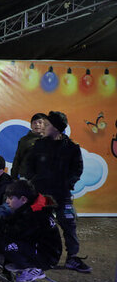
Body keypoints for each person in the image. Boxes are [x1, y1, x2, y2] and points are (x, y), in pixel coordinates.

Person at [25, 111, 90, 273]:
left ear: (57, 129)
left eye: (47, 125)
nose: (43, 127)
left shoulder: (72, 148)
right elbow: (28, 166)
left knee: (68, 223)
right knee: (36, 223)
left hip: (62, 195)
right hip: (42, 195)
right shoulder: (39, 145)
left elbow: (77, 169)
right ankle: (35, 254)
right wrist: (35, 182)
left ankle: (72, 258)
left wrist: (68, 184)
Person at [0, 179, 62, 282]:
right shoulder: (28, 208)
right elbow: (11, 224)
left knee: (6, 244)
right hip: (39, 249)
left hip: (47, 257)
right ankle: (25, 263)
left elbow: (14, 232)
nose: (7, 201)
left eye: (10, 198)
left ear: (23, 199)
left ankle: (35, 268)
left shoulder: (36, 214)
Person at [11, 113, 46, 179]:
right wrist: (13, 177)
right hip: (27, 177)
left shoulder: (52, 140)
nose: (37, 124)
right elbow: (17, 159)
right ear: (31, 125)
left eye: (40, 122)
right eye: (34, 123)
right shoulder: (25, 140)